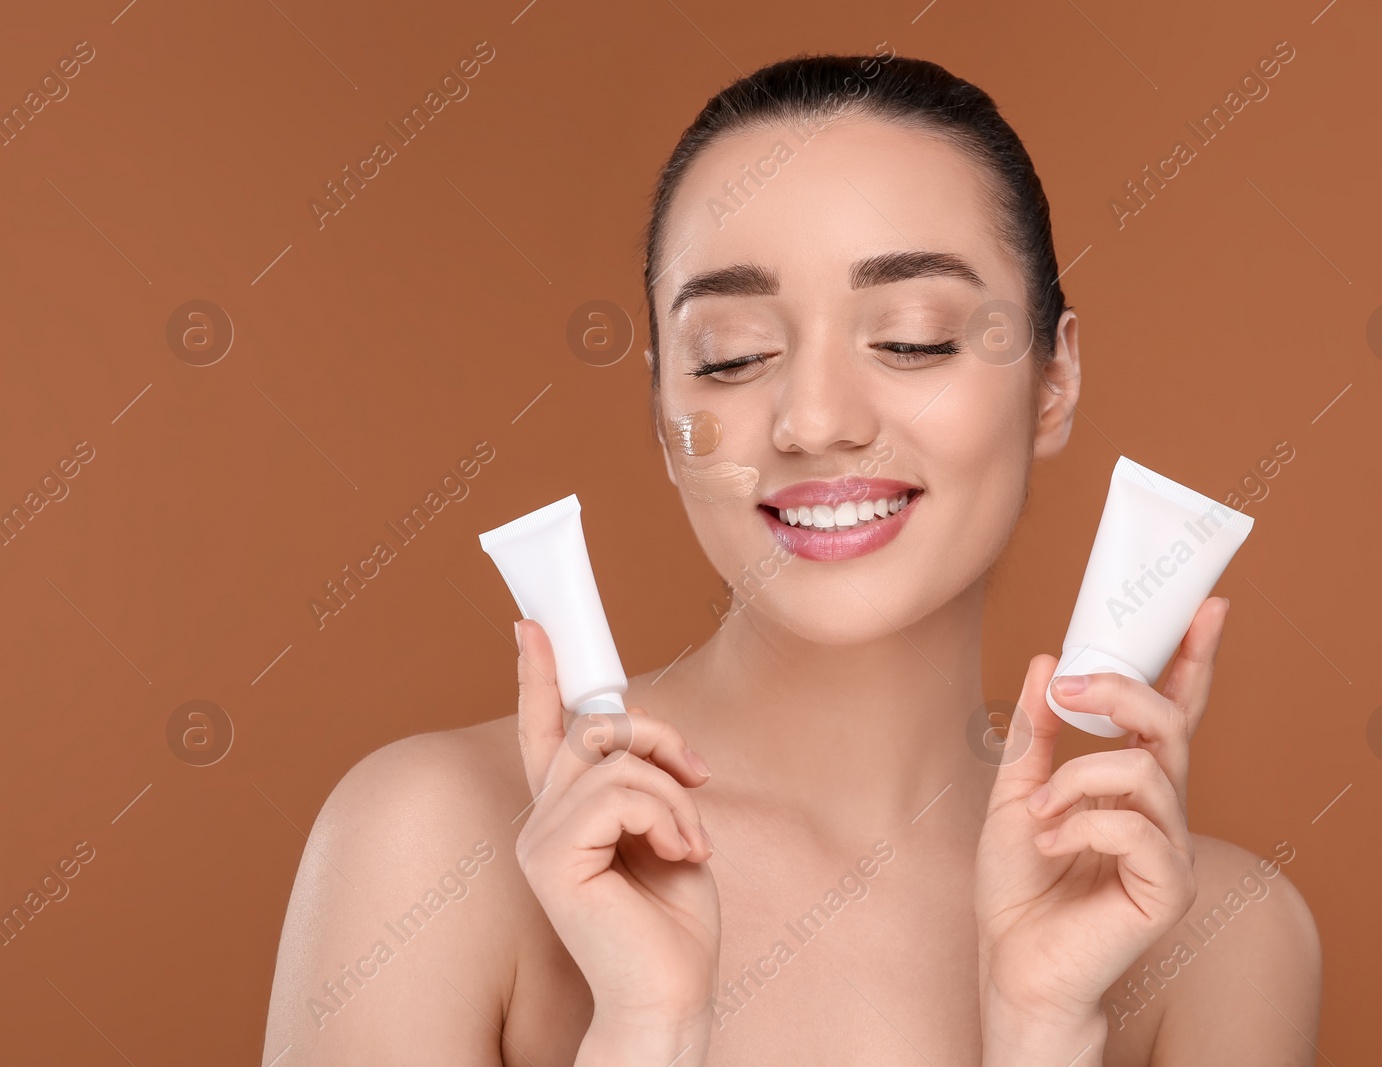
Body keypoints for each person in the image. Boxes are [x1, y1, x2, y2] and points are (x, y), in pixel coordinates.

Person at [263, 50, 1320, 1066]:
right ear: (663, 406)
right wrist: (645, 1033)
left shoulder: (1210, 939)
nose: (813, 420)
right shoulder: (434, 842)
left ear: (1052, 379)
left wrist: (1046, 1031)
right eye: (733, 356)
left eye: (911, 337)